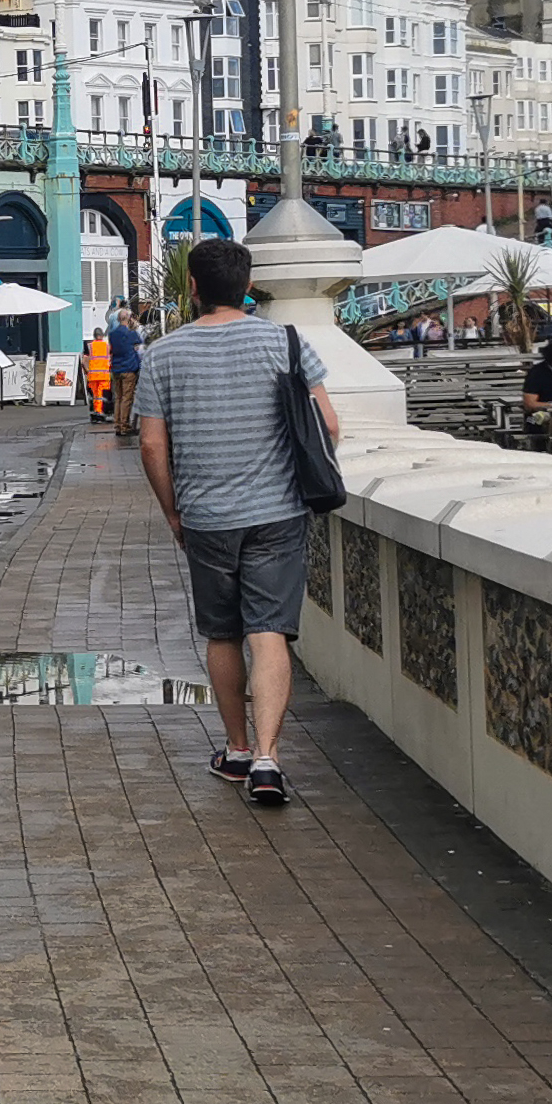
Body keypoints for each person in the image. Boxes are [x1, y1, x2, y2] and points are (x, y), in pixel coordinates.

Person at [133, 238, 341, 810]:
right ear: (247, 287)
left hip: (206, 518)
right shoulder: (285, 342)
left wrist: (173, 510)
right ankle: (270, 760)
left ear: (192, 287)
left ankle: (238, 749)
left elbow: (151, 445)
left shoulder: (163, 354)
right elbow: (328, 424)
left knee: (223, 634)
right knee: (269, 632)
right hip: (278, 513)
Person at [106, 307, 145, 444]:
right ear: (128, 319)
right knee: (127, 398)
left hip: (116, 368)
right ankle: (124, 425)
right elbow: (140, 342)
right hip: (128, 368)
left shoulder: (112, 334)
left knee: (118, 397)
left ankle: (117, 424)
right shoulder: (131, 334)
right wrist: (134, 326)